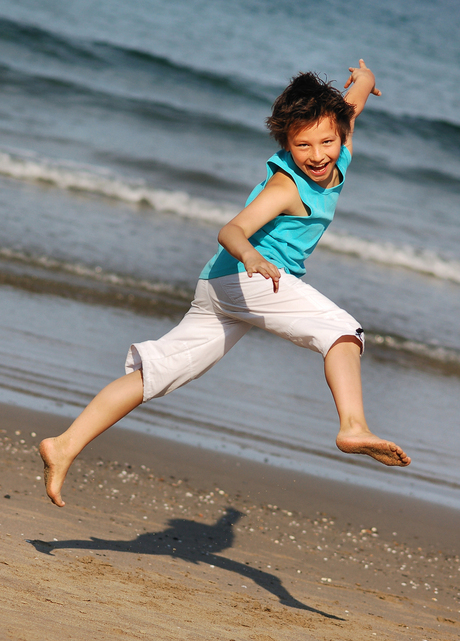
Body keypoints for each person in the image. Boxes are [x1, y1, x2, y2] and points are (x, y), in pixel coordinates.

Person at [40, 59, 411, 507]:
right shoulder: (285, 187)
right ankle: (353, 426)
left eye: (326, 142)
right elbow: (231, 230)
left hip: (217, 287)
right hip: (248, 275)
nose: (317, 155)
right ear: (285, 144)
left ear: (340, 134)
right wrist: (252, 256)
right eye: (302, 146)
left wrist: (366, 81)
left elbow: (350, 107)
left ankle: (63, 445)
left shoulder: (340, 143)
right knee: (343, 332)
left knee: (157, 374)